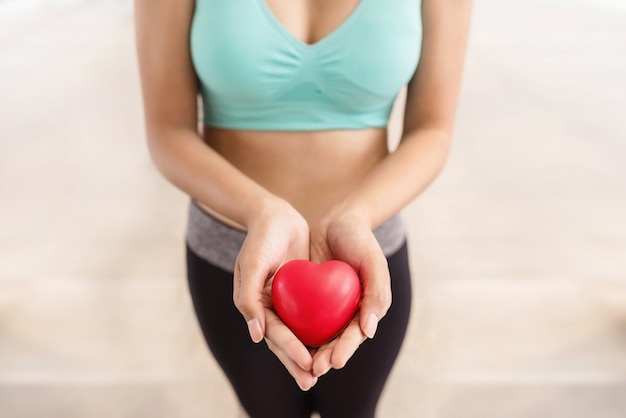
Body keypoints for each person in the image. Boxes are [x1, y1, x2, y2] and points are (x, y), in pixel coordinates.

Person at [134, 0, 471, 416]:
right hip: (235, 258)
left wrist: (358, 214)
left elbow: (433, 129)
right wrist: (260, 210)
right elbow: (168, 130)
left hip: (365, 258)